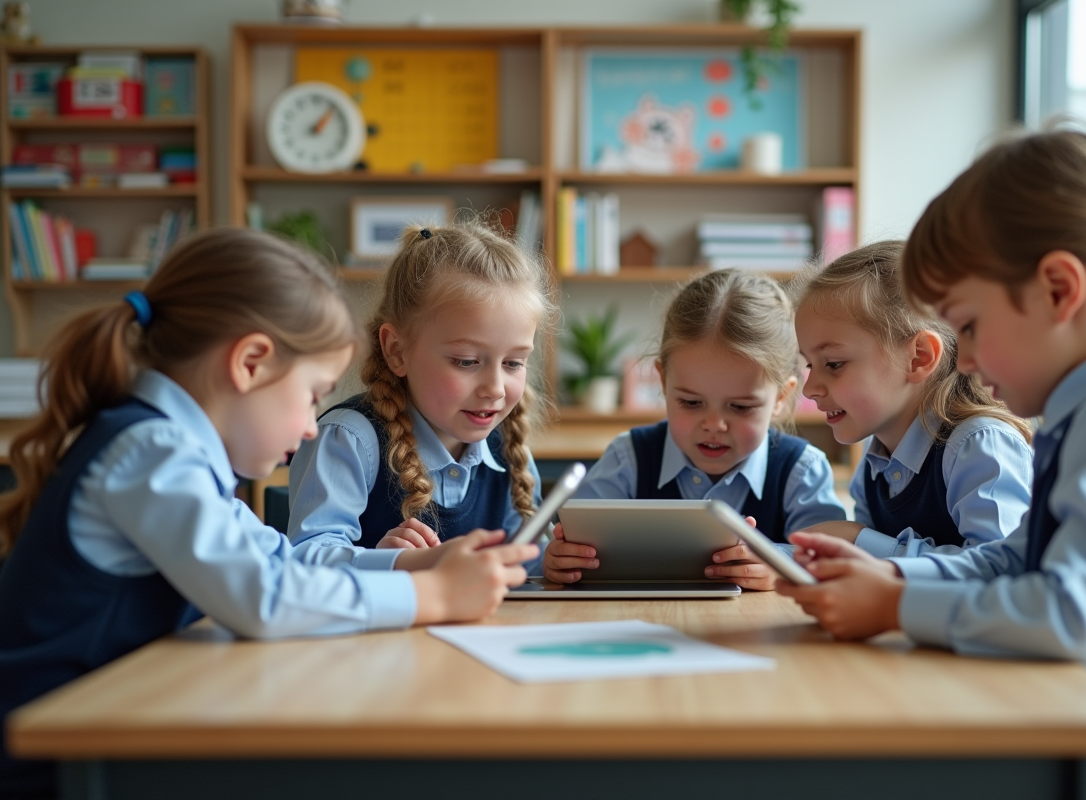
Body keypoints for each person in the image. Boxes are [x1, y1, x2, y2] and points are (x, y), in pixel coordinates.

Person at [0, 229, 537, 799]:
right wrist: (430, 598)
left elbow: (279, 560)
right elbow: (263, 597)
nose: (311, 425)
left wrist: (417, 569)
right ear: (250, 363)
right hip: (48, 765)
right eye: (311, 395)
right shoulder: (150, 454)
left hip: (106, 738)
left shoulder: (173, 455)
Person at [779, 128, 1086, 800]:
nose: (964, 359)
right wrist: (890, 575)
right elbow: (1014, 557)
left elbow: (1075, 615)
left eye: (968, 326)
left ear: (1059, 290)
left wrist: (899, 604)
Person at [544, 268, 846, 591]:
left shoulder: (801, 470)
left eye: (741, 407)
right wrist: (559, 560)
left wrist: (782, 565)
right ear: (662, 381)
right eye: (691, 402)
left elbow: (831, 564)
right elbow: (570, 545)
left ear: (782, 397)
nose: (714, 425)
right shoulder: (628, 459)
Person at [288, 221, 553, 563]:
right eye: (467, 361)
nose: (495, 388)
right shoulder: (348, 440)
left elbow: (526, 562)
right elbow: (305, 560)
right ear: (397, 351)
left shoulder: (509, 452)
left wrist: (553, 561)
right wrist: (387, 562)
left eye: (514, 363)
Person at [791, 240, 1033, 558]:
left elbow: (1001, 570)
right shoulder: (874, 459)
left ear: (918, 358)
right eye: (810, 365)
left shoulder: (978, 444)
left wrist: (859, 540)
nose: (810, 389)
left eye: (833, 364)